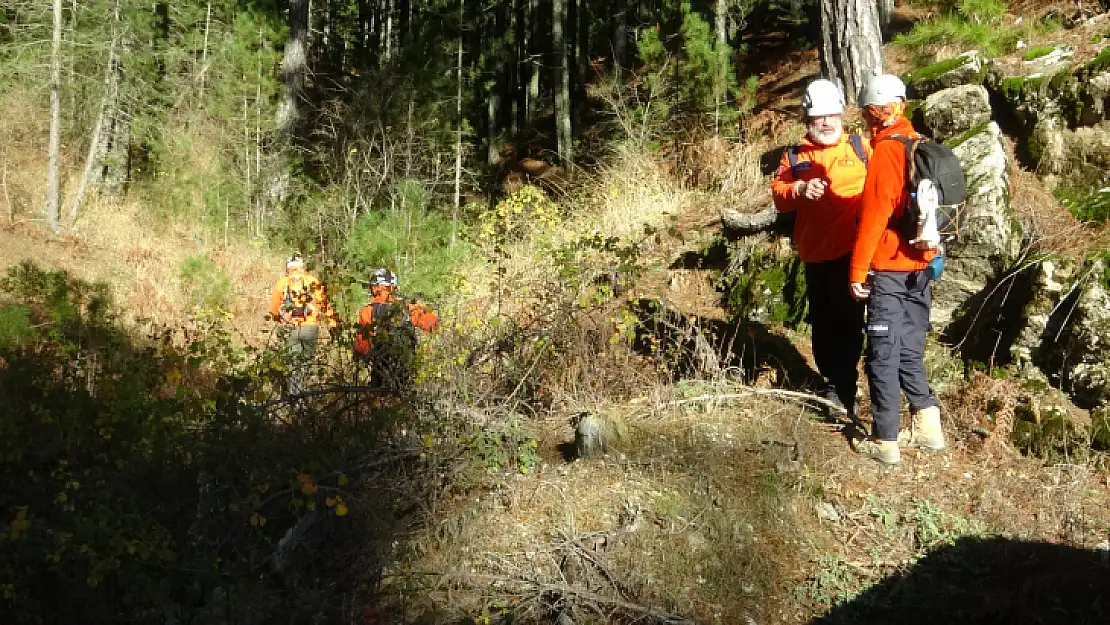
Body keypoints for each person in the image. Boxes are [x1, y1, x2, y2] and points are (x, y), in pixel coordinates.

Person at [849, 73, 946, 466]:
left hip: (889, 268)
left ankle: (885, 439)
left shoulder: (888, 151)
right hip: (923, 266)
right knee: (909, 346)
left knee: (883, 352)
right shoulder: (919, 143)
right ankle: (928, 426)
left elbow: (874, 217)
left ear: (873, 112)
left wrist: (857, 271)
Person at [771, 78, 870, 422]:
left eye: (830, 116)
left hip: (853, 255)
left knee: (850, 323)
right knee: (824, 325)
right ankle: (832, 381)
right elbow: (779, 197)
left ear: (841, 115)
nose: (825, 123)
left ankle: (845, 388)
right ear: (807, 120)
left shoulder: (860, 148)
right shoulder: (795, 155)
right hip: (815, 255)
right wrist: (798, 188)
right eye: (817, 118)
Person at [353, 269, 439, 391]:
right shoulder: (408, 308)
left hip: (381, 367)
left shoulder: (368, 311)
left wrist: (361, 359)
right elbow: (433, 325)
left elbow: (362, 346)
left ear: (374, 288)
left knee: (380, 397)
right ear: (393, 288)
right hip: (407, 365)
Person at [268, 255, 335, 394]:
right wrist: (332, 322)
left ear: (287, 269)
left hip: (290, 329)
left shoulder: (282, 284)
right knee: (308, 362)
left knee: (293, 364)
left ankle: (294, 396)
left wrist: (281, 322)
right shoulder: (312, 281)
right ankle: (306, 393)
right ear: (303, 267)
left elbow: (273, 310)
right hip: (310, 328)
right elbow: (324, 304)